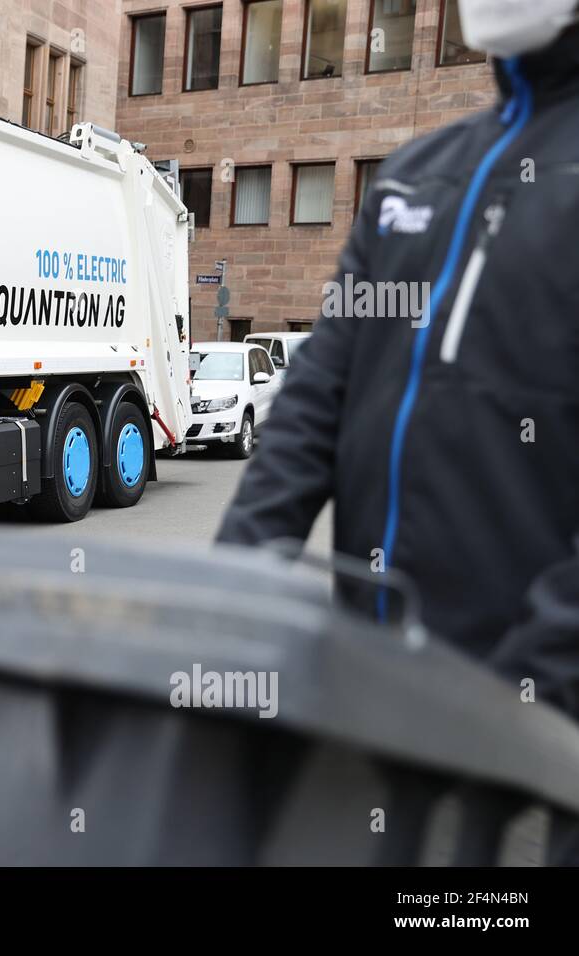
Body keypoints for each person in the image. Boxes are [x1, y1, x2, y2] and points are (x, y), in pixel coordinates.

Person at [215, 1, 579, 715]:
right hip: (372, 684)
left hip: (534, 731)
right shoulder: (415, 175)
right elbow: (315, 400)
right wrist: (234, 595)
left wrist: (528, 704)